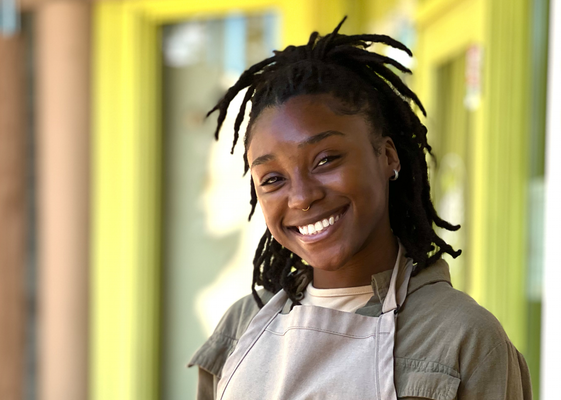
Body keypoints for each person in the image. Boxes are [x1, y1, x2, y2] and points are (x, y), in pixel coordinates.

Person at [188, 18, 532, 399]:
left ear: (386, 156)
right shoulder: (242, 325)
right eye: (272, 179)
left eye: (325, 159)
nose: (301, 197)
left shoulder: (460, 337)